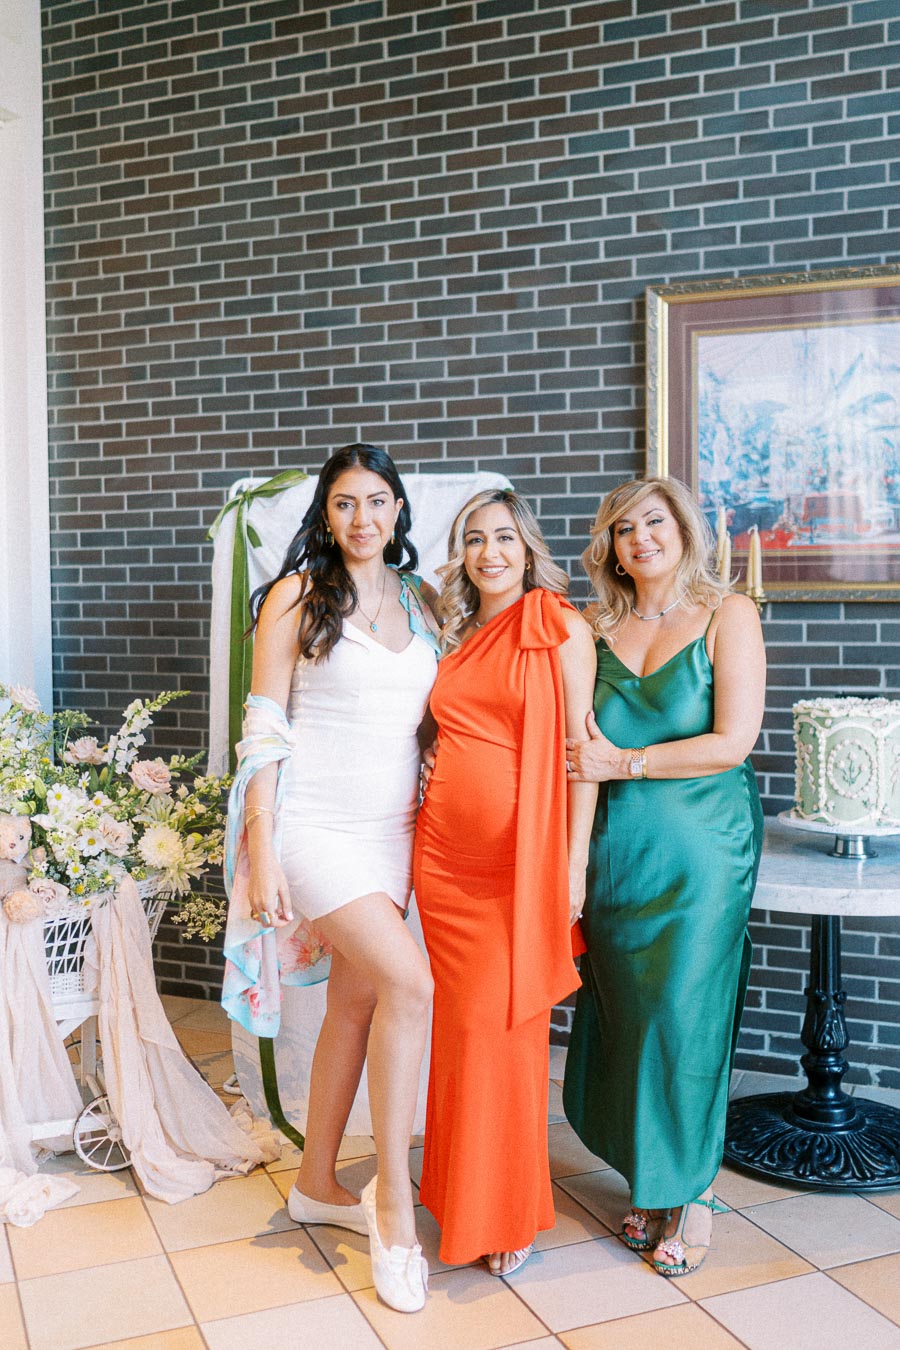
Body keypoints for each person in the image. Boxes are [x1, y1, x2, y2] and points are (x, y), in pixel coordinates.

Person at [221, 444, 442, 1314]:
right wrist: (264, 849)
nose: (363, 518)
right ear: (326, 512)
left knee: (358, 1003)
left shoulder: (422, 601)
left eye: (378, 501)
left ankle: (317, 1183)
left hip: (395, 835)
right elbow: (263, 730)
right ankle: (393, 1205)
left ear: (398, 512)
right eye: (345, 502)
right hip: (312, 828)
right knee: (410, 985)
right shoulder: (296, 597)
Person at [562, 475, 765, 1278]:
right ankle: (650, 1177)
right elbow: (572, 747)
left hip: (704, 850)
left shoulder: (728, 615)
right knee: (628, 1014)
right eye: (622, 529)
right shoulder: (591, 625)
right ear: (609, 547)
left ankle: (695, 1193)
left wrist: (627, 761)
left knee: (686, 1014)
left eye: (653, 522)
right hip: (617, 849)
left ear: (682, 530)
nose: (639, 538)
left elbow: (733, 741)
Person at [413, 488, 598, 1275]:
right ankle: (458, 1193)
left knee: (505, 1035)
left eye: (503, 539)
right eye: (474, 540)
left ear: (527, 547)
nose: (490, 553)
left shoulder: (558, 624)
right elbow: (447, 724)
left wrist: (574, 862)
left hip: (514, 869)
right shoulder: (458, 634)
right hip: (442, 863)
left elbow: (582, 750)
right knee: (460, 1034)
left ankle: (509, 1211)